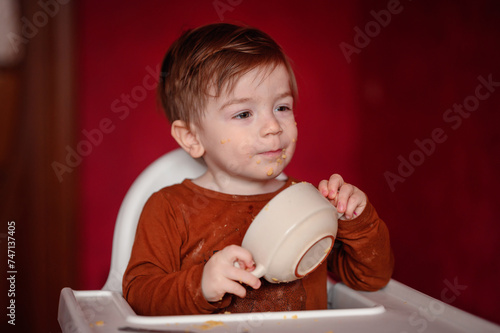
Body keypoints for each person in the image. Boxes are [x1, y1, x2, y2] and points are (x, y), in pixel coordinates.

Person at [122, 22, 394, 316]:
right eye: (243, 113)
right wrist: (200, 286)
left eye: (282, 107)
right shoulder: (170, 208)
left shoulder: (305, 203)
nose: (273, 127)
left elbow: (371, 280)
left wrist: (359, 222)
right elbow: (138, 296)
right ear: (192, 137)